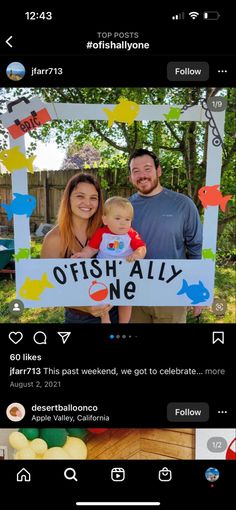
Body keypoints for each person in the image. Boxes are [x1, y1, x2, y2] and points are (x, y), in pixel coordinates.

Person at [128, 148, 203, 323]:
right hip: (134, 295)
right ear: (131, 176)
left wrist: (198, 294)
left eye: (147, 169)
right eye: (135, 171)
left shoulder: (183, 205)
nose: (142, 175)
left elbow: (196, 249)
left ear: (158, 170)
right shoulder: (125, 208)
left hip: (172, 294)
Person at [41, 173, 118, 324]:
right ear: (68, 198)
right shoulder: (54, 239)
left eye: (93, 198)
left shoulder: (108, 232)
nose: (87, 203)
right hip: (79, 318)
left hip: (114, 312)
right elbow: (47, 290)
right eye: (80, 196)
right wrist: (85, 307)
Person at [73, 196, 146, 323]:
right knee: (101, 295)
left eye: (127, 219)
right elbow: (91, 248)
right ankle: (105, 317)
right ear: (105, 220)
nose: (123, 223)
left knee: (126, 299)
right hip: (104, 273)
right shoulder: (102, 233)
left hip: (125, 273)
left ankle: (124, 322)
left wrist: (137, 254)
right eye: (118, 218)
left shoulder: (131, 234)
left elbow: (141, 247)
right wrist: (83, 254)